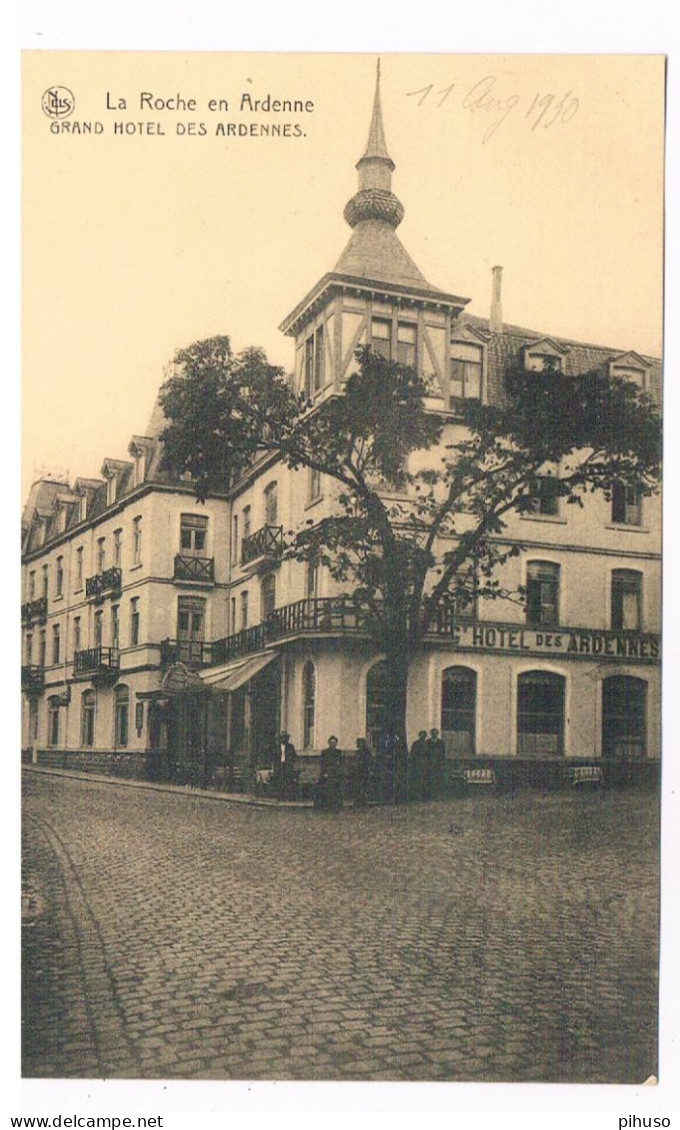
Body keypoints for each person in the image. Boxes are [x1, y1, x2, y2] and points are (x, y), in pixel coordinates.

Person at [315, 735, 344, 809]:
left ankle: (335, 804)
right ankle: (326, 803)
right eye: (331, 742)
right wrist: (324, 773)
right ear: (329, 743)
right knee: (324, 786)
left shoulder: (339, 752)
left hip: (335, 773)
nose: (333, 744)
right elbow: (322, 764)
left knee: (337, 786)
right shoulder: (324, 752)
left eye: (334, 743)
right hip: (326, 773)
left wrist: (338, 772)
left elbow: (341, 763)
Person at [272, 731, 298, 799]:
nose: (284, 739)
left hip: (287, 766)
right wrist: (275, 767)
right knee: (280, 781)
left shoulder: (290, 747)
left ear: (287, 739)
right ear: (280, 739)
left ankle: (288, 796)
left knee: (288, 781)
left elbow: (294, 756)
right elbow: (274, 758)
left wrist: (290, 762)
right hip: (279, 766)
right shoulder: (276, 747)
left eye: (285, 738)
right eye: (282, 737)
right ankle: (280, 796)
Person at [352, 737, 373, 806]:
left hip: (365, 771)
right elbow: (355, 761)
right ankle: (358, 800)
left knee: (364, 786)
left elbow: (369, 762)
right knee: (358, 786)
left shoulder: (367, 752)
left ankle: (364, 801)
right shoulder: (358, 752)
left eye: (359, 743)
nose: (357, 744)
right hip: (358, 772)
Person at [409, 730, 429, 800]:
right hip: (417, 763)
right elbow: (413, 753)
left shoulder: (427, 743)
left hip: (425, 764)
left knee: (425, 780)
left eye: (424, 735)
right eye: (421, 735)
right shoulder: (416, 744)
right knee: (418, 780)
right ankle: (417, 795)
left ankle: (424, 795)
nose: (422, 737)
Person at [426, 727, 446, 798]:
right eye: (433, 733)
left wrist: (442, 761)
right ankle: (430, 793)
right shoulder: (428, 742)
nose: (434, 735)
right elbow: (426, 752)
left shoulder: (440, 742)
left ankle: (438, 794)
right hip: (430, 762)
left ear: (437, 734)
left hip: (438, 763)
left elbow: (443, 752)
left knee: (438, 778)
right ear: (431, 734)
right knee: (430, 778)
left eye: (435, 733)